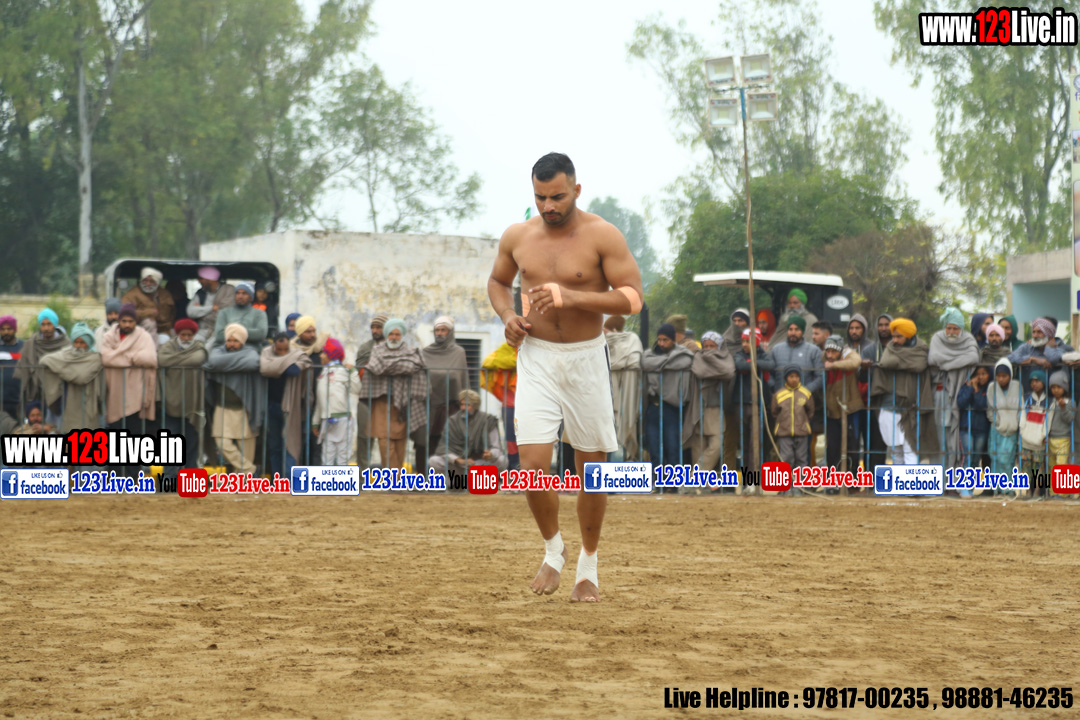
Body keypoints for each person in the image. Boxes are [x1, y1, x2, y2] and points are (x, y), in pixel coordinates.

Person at [487, 152, 643, 603]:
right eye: (540, 197)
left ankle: (587, 567)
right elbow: (498, 282)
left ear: (576, 189)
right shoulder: (518, 236)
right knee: (531, 467)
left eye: (557, 196)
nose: (548, 206)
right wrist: (507, 316)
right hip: (536, 357)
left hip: (585, 358)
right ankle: (553, 550)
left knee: (592, 470)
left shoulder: (602, 234)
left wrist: (570, 296)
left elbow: (633, 299)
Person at [870, 318, 939, 465]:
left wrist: (897, 362)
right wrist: (903, 363)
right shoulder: (890, 347)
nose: (894, 340)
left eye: (899, 336)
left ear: (908, 336)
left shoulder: (921, 349)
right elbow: (886, 362)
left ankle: (909, 480)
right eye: (893, 336)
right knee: (896, 452)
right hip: (889, 406)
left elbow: (919, 364)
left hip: (911, 409)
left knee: (911, 451)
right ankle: (899, 480)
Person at [99, 303, 158, 474]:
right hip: (114, 394)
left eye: (130, 321)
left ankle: (132, 478)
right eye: (124, 321)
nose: (127, 324)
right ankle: (115, 478)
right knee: (115, 439)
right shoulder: (109, 336)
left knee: (134, 440)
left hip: (136, 395)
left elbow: (151, 358)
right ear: (119, 321)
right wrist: (134, 358)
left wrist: (122, 356)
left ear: (135, 321)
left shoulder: (143, 337)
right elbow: (106, 358)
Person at [365, 318, 427, 471]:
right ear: (386, 335)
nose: (394, 337)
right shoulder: (377, 350)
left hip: (403, 404)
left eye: (397, 334)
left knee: (400, 444)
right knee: (384, 443)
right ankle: (393, 477)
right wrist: (400, 364)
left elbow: (412, 366)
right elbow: (375, 367)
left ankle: (396, 479)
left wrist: (388, 365)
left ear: (402, 335)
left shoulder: (411, 351)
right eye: (391, 334)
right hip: (382, 403)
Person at [204, 323, 265, 475]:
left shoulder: (251, 352)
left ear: (242, 341)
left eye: (236, 341)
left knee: (247, 450)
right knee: (222, 443)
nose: (231, 344)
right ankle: (250, 469)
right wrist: (238, 363)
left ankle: (243, 481)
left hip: (245, 408)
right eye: (229, 340)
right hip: (222, 407)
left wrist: (225, 364)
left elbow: (252, 362)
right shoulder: (217, 351)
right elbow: (213, 362)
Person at [927, 307, 980, 468]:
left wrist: (946, 365)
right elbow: (933, 358)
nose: (951, 331)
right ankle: (938, 478)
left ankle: (953, 478)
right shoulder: (937, 338)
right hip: (939, 394)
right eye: (948, 328)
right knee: (939, 438)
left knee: (954, 440)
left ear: (961, 329)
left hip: (959, 394)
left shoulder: (968, 339)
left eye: (955, 328)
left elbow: (973, 357)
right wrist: (957, 362)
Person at [682, 330, 735, 479]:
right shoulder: (698, 357)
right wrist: (715, 369)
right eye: (706, 346)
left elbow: (728, 372)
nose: (709, 349)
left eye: (713, 346)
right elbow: (699, 371)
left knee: (716, 445)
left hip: (716, 408)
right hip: (698, 407)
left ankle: (696, 474)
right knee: (698, 446)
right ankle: (698, 483)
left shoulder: (726, 358)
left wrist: (711, 362)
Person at [641, 323, 694, 471]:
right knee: (654, 448)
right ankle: (659, 480)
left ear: (673, 340)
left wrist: (658, 366)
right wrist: (668, 363)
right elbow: (645, 363)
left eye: (665, 340)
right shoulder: (649, 353)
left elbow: (686, 361)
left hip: (672, 407)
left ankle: (673, 481)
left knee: (673, 448)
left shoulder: (682, 353)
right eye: (659, 339)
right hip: (653, 407)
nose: (661, 343)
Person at [420, 316, 469, 473]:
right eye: (437, 330)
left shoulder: (458, 353)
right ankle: (427, 478)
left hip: (451, 407)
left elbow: (462, 379)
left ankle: (453, 478)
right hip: (428, 407)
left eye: (443, 330)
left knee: (451, 444)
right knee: (428, 443)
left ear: (450, 332)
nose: (439, 333)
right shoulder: (425, 353)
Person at [157, 318, 208, 469]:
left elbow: (198, 358)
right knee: (171, 445)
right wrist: (186, 359)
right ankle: (170, 478)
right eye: (183, 335)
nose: (186, 338)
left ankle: (190, 478)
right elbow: (162, 360)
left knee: (192, 444)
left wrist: (174, 360)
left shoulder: (199, 347)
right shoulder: (168, 346)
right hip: (170, 404)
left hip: (192, 406)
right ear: (177, 334)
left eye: (189, 335)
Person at [260, 331, 311, 477]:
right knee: (275, 445)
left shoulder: (297, 354)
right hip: (271, 406)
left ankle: (289, 479)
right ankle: (278, 480)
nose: (282, 352)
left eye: (285, 350)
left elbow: (294, 371)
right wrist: (286, 363)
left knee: (290, 444)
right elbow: (265, 369)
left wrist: (276, 366)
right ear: (274, 346)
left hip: (291, 407)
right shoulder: (266, 353)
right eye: (279, 350)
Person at [38, 322, 104, 435]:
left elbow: (81, 376)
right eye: (76, 342)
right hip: (69, 401)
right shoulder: (66, 355)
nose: (78, 346)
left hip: (88, 402)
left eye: (82, 342)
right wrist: (65, 370)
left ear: (88, 343)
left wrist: (63, 370)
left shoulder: (94, 358)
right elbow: (45, 360)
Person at [429, 389, 507, 479]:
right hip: (458, 464)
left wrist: (490, 454)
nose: (463, 408)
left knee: (502, 460)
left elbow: (496, 448)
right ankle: (458, 480)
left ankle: (480, 479)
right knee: (433, 461)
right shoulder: (452, 421)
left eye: (467, 405)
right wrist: (458, 460)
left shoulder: (488, 421)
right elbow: (443, 447)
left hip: (479, 463)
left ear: (475, 406)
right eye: (462, 405)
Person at [728, 327, 775, 475]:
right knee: (743, 442)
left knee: (755, 442)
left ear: (756, 342)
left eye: (748, 341)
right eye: (743, 341)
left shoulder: (764, 355)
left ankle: (753, 477)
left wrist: (750, 363)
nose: (744, 344)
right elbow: (739, 364)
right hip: (741, 403)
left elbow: (770, 365)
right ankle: (746, 476)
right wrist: (755, 365)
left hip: (758, 403)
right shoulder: (739, 354)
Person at [313, 338, 361, 466]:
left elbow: (356, 389)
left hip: (343, 421)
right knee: (327, 458)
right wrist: (315, 422)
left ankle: (342, 479)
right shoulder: (323, 374)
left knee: (342, 458)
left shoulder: (342, 371)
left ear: (331, 355)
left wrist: (352, 372)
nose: (321, 355)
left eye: (324, 352)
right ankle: (328, 479)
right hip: (327, 421)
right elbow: (320, 401)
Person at [14, 308, 71, 414]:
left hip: (59, 393)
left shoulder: (65, 344)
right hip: (36, 393)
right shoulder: (31, 343)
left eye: (49, 324)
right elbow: (22, 367)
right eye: (43, 324)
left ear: (54, 325)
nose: (46, 328)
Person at [822, 334, 864, 472]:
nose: (830, 355)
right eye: (828, 351)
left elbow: (856, 362)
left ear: (840, 351)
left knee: (852, 446)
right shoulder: (824, 357)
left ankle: (852, 479)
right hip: (832, 412)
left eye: (834, 351)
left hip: (850, 409)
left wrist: (833, 365)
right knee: (832, 448)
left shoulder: (847, 353)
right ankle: (832, 479)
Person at [604, 315, 643, 460]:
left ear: (614, 329)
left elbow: (634, 361)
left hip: (627, 391)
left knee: (626, 422)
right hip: (610, 396)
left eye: (605, 331)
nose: (604, 335)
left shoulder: (632, 340)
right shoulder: (603, 345)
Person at [355, 314, 387, 469]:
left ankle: (390, 476)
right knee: (364, 438)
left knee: (387, 439)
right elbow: (361, 371)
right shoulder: (365, 348)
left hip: (387, 399)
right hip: (366, 398)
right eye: (373, 327)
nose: (375, 330)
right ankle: (362, 475)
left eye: (378, 327)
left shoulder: (394, 347)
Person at [771, 366, 814, 468]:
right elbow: (774, 412)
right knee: (786, 458)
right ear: (786, 378)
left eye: (797, 376)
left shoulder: (806, 393)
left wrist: (804, 422)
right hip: (784, 431)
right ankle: (787, 478)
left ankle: (800, 478)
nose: (794, 379)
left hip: (801, 431)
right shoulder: (778, 394)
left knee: (801, 459)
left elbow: (810, 411)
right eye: (791, 376)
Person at [121, 266, 176, 342]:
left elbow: (172, 313)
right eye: (145, 280)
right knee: (149, 322)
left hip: (163, 330)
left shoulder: (165, 294)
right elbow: (124, 313)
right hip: (139, 330)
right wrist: (148, 313)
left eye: (151, 281)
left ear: (157, 283)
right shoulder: (131, 295)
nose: (148, 284)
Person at [987, 358, 1021, 478]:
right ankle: (996, 487)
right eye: (998, 376)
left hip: (1011, 431)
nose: (1001, 379)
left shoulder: (1017, 386)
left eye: (1004, 376)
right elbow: (989, 409)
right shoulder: (992, 387)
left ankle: (1008, 486)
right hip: (997, 430)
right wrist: (997, 422)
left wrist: (1015, 422)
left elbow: (1020, 407)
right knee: (995, 459)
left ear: (1010, 375)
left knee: (1008, 461)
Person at [956, 366, 991, 477]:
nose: (981, 377)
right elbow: (961, 403)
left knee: (976, 458)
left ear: (989, 375)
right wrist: (971, 388)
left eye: (984, 374)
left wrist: (976, 390)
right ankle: (965, 483)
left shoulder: (988, 389)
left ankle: (972, 483)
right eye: (978, 374)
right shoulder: (966, 387)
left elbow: (981, 405)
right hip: (966, 428)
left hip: (981, 429)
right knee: (968, 456)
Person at [187, 266, 235, 343]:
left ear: (210, 279)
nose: (199, 281)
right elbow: (190, 312)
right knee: (192, 345)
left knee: (208, 347)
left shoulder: (228, 290)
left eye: (201, 278)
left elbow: (224, 315)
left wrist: (201, 313)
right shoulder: (200, 293)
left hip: (220, 331)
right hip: (202, 331)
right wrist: (212, 308)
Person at [213, 281, 267, 347]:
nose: (240, 296)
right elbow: (219, 335)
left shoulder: (259, 313)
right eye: (237, 293)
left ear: (251, 297)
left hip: (251, 348)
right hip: (226, 348)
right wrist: (244, 332)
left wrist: (232, 331)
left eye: (244, 293)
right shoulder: (224, 312)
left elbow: (261, 334)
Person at [1047, 370, 1075, 473]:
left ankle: (1060, 484)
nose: (1056, 390)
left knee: (1061, 467)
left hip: (1063, 439)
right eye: (1053, 387)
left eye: (1059, 387)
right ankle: (1051, 485)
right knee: (1051, 467)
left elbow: (1070, 419)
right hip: (1050, 438)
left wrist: (1063, 408)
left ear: (1065, 387)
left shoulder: (1070, 402)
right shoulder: (1050, 402)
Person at [0, 314, 23, 417]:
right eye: (3, 329)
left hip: (19, 399)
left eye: (9, 329)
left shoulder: (24, 346)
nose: (6, 332)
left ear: (15, 329)